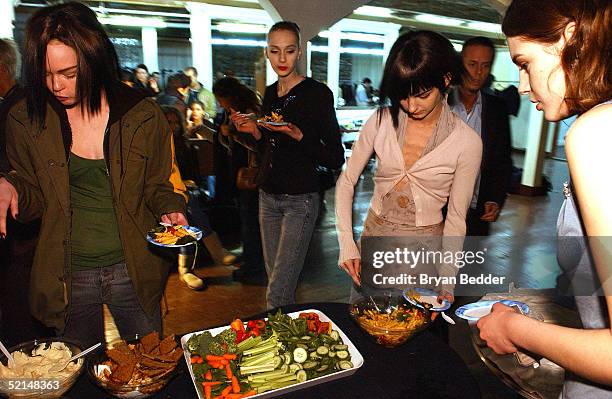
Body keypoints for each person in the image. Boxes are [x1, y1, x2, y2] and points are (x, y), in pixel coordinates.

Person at [0, 2, 188, 348]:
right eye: (45, 74)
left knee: (149, 365)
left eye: (69, 74)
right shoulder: (26, 120)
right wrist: (11, 186)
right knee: (78, 370)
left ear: (94, 59)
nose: (55, 85)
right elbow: (35, 199)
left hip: (134, 269)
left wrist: (170, 206)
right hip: (68, 275)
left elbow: (157, 184)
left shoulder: (141, 116)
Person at [477, 0, 612, 395]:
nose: (521, 84)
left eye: (523, 63)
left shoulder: (596, 133)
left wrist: (515, 328)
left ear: (570, 37)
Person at [335, 31, 482, 304]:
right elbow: (346, 182)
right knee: (362, 331)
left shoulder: (467, 142)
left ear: (446, 80)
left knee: (413, 339)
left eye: (423, 95)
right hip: (372, 251)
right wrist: (346, 242)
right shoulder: (380, 121)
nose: (411, 105)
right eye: (403, 95)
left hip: (423, 259)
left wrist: (447, 278)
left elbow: (456, 218)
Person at [231, 21, 345, 308]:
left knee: (278, 291)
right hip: (267, 196)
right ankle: (287, 340)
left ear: (299, 52)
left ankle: (274, 346)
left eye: (289, 51)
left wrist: (298, 135)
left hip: (301, 200)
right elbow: (270, 149)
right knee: (278, 283)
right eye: (275, 51)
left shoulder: (317, 93)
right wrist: (254, 131)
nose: (282, 59)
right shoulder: (270, 93)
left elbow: (335, 156)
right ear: (267, 53)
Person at [161, 105, 236, 290]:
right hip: (162, 196)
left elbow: (194, 176)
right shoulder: (156, 147)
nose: (173, 126)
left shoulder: (184, 145)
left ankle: (186, 269)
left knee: (189, 209)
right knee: (188, 209)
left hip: (186, 194)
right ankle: (216, 253)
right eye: (168, 122)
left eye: (176, 122)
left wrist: (187, 183)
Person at [449, 36, 513, 236]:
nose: (478, 73)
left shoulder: (497, 109)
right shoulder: (440, 104)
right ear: (460, 64)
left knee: (471, 266)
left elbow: (501, 162)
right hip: (436, 212)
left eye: (485, 66)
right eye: (472, 64)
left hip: (476, 215)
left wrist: (495, 199)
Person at [212, 76, 265, 281]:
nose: (219, 103)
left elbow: (256, 144)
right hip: (239, 172)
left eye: (220, 98)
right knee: (248, 221)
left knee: (251, 221)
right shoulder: (234, 111)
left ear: (228, 96)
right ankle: (251, 257)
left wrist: (232, 132)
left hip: (250, 175)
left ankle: (253, 266)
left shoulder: (247, 112)